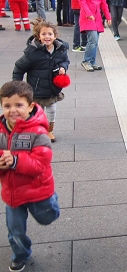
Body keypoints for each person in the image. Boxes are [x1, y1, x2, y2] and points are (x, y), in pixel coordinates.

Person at [0, 80, 60, 272]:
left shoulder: (38, 133)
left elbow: (40, 165)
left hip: (37, 190)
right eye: (7, 106)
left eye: (19, 105)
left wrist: (16, 161)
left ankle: (52, 202)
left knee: (47, 217)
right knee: (15, 230)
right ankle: (20, 255)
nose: (13, 110)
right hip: (13, 193)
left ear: (31, 106)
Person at [12, 18, 70, 142]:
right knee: (37, 113)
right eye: (43, 34)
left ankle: (49, 131)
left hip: (52, 89)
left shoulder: (60, 50)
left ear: (55, 36)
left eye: (50, 34)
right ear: (38, 36)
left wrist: (63, 67)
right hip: (36, 90)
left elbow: (66, 61)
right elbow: (19, 67)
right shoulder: (32, 53)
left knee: (52, 111)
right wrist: (17, 86)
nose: (47, 37)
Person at [78, 0, 111, 72]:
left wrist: (108, 16)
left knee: (95, 41)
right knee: (92, 40)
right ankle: (86, 61)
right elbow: (82, 2)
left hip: (97, 19)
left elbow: (103, 4)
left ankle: (92, 61)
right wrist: (88, 14)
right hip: (87, 18)